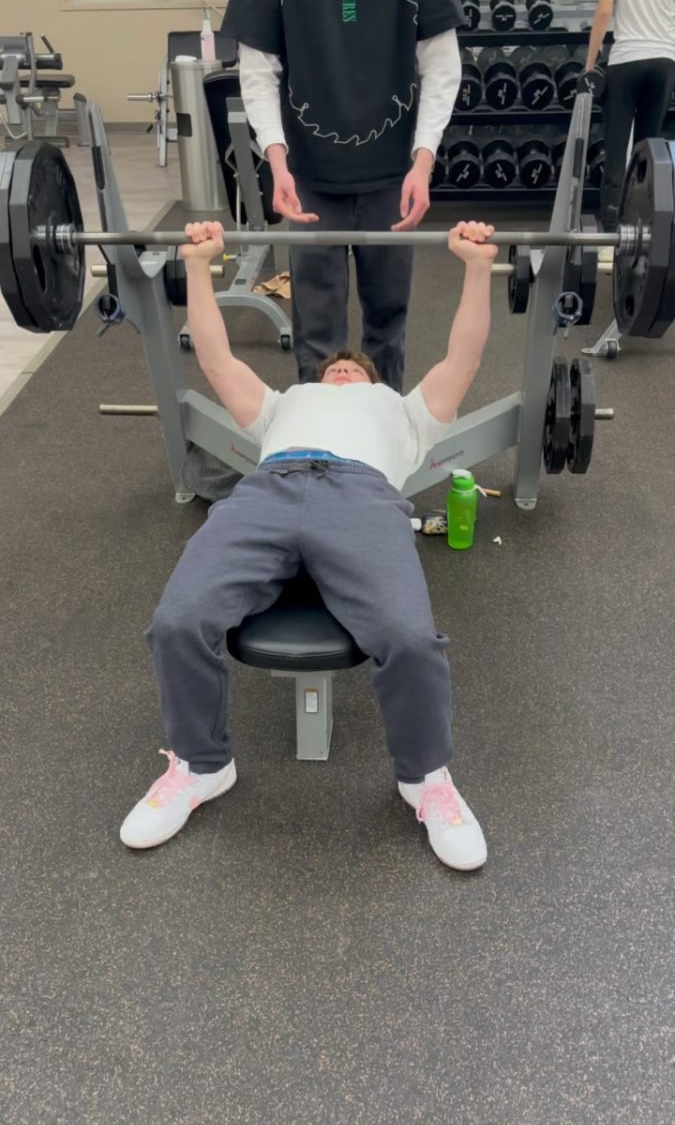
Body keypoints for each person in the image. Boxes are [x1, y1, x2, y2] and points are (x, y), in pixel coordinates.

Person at [120, 219, 498, 872]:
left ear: (375, 382)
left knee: (409, 638)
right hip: (268, 491)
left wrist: (475, 267)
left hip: (361, 499)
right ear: (317, 379)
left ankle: (425, 780)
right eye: (335, 367)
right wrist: (201, 266)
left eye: (356, 368)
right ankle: (199, 766)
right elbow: (214, 358)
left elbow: (462, 357)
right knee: (177, 622)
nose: (345, 370)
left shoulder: (405, 413)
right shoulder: (281, 404)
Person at [221, 0, 464, 392]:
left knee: (389, 327)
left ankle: (382, 441)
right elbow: (258, 67)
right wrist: (277, 162)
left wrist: (423, 163)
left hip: (393, 175)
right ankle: (319, 447)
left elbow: (441, 63)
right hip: (309, 177)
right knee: (316, 336)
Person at [584, 0, 675, 257]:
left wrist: (589, 64)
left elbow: (605, 10)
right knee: (647, 153)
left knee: (616, 150)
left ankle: (611, 240)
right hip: (664, 60)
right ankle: (645, 234)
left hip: (626, 60)